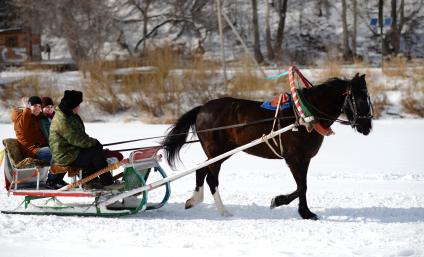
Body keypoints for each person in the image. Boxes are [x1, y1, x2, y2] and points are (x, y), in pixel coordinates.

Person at [49, 90, 122, 190]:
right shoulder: (62, 120)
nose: (79, 107)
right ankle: (107, 182)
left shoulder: (69, 114)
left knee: (93, 150)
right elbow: (77, 139)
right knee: (95, 151)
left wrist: (93, 144)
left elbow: (80, 136)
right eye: (78, 105)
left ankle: (90, 181)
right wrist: (94, 143)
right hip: (64, 155)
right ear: (72, 105)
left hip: (71, 151)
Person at [11, 96, 65, 189]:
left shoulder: (35, 117)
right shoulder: (20, 117)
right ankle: (51, 181)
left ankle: (58, 179)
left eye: (39, 106)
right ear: (28, 106)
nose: (37, 108)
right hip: (32, 151)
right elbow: (22, 127)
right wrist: (26, 109)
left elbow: (49, 115)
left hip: (41, 148)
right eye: (35, 105)